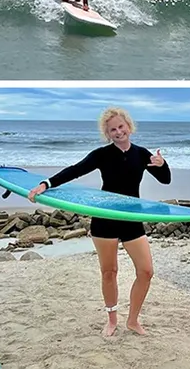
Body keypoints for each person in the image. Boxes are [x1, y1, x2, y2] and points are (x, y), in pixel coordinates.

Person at [26, 106, 170, 337]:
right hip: (104, 218)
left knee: (146, 271)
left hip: (131, 217)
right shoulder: (102, 155)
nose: (118, 132)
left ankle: (132, 320)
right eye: (112, 129)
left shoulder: (142, 154)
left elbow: (165, 180)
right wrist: (45, 184)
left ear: (129, 127)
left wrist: (163, 165)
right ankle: (111, 320)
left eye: (121, 126)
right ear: (107, 133)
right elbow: (75, 171)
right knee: (109, 272)